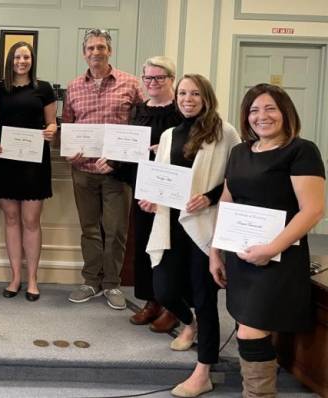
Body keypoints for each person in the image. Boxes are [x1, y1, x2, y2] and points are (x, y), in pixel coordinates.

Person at [210, 84, 325, 397]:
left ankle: (258, 394)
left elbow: (313, 209)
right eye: (254, 110)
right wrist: (215, 252)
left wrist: (271, 248)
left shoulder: (301, 150)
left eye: (270, 108)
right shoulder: (239, 152)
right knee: (247, 324)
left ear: (285, 111)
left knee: (250, 332)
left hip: (279, 258)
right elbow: (227, 201)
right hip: (241, 255)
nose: (262, 116)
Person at [143, 74, 240, 397]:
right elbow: (161, 176)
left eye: (194, 93)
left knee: (205, 297)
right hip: (171, 220)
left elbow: (235, 177)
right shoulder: (171, 134)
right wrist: (151, 196)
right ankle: (190, 322)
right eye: (183, 93)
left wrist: (210, 197)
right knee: (165, 290)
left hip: (203, 223)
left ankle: (203, 370)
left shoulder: (224, 132)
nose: (187, 99)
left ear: (206, 97)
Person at [63, 28, 144, 310]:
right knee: (89, 228)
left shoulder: (131, 84)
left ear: (109, 50)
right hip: (83, 171)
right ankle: (90, 280)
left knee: (116, 229)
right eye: (91, 48)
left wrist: (119, 157)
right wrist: (69, 153)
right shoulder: (73, 86)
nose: (95, 52)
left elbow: (142, 125)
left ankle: (111, 283)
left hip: (116, 172)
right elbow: (68, 125)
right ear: (84, 53)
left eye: (100, 47)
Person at [0, 42, 56, 301]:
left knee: (31, 221)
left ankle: (33, 279)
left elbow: (52, 124)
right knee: (11, 220)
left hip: (33, 163)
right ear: (10, 60)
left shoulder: (44, 88)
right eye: (17, 57)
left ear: (32, 60)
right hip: (5, 160)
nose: (22, 61)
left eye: (26, 57)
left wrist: (52, 130)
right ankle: (15, 277)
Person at [125, 56, 183, 332]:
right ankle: (151, 301)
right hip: (143, 186)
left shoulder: (181, 110)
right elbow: (129, 146)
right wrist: (111, 159)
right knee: (144, 245)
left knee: (168, 246)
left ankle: (172, 304)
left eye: (159, 78)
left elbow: (192, 147)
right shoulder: (138, 109)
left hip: (172, 188)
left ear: (171, 79)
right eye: (148, 78)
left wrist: (166, 148)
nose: (152, 83)